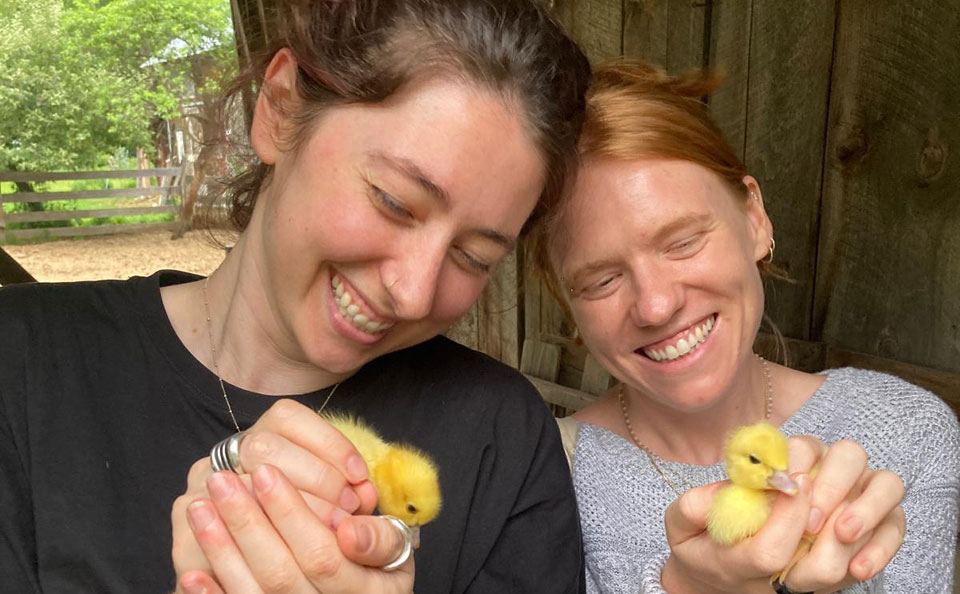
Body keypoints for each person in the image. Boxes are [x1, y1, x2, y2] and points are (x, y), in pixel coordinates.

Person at [0, 1, 592, 593]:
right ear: (281, 109)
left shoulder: (502, 438)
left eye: (473, 257)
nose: (413, 295)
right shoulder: (19, 359)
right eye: (394, 201)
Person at [531, 60, 960, 594]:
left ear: (755, 218)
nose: (656, 306)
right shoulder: (537, 480)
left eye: (683, 242)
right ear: (565, 299)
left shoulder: (907, 432)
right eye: (601, 280)